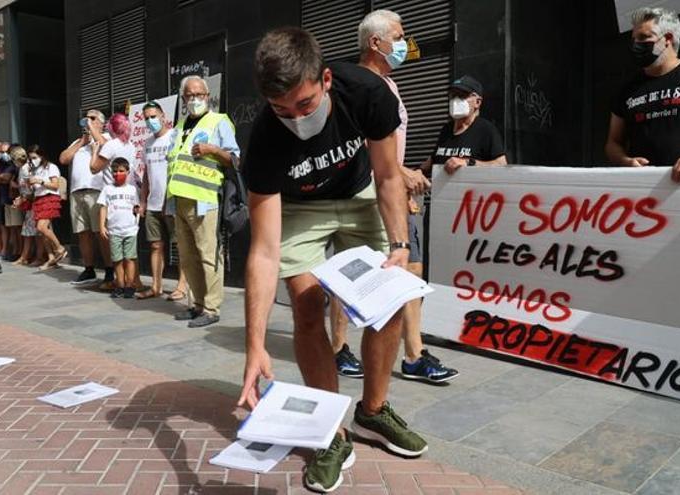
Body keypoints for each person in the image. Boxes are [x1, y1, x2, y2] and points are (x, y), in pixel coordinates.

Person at [239, 28, 432, 493]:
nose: (295, 118)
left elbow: (388, 175)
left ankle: (372, 411)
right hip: (301, 207)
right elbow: (264, 252)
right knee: (307, 306)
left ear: (325, 79)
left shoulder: (366, 92)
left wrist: (399, 247)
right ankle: (330, 432)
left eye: (305, 105)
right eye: (282, 109)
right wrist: (255, 347)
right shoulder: (264, 140)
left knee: (386, 297)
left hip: (361, 192)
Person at [354, 9, 462, 384]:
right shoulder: (361, 84)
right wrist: (400, 175)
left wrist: (401, 181)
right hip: (371, 194)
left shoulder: (391, 85)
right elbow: (364, 146)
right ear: (375, 42)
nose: (404, 45)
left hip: (394, 192)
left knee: (410, 270)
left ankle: (413, 354)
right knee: (382, 276)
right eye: (398, 38)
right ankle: (343, 349)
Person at [165, 75, 240, 328]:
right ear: (184, 99)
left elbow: (236, 159)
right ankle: (196, 304)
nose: (195, 99)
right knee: (187, 257)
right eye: (190, 95)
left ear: (208, 97)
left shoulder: (219, 122)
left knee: (208, 254)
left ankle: (211, 307)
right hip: (179, 199)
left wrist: (213, 150)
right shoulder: (180, 126)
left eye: (200, 95)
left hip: (204, 198)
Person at [605, 7, 680, 183]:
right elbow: (613, 142)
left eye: (643, 38)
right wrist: (625, 161)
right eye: (634, 39)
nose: (636, 45)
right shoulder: (627, 90)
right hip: (645, 194)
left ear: (668, 39)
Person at [138, 101, 189, 300]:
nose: (151, 121)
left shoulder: (174, 137)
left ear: (162, 116)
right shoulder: (147, 143)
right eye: (147, 118)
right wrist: (142, 201)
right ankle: (156, 286)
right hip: (152, 203)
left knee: (179, 245)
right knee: (155, 246)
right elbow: (146, 176)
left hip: (172, 201)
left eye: (153, 116)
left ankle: (182, 286)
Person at [59, 109, 115, 288]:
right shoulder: (79, 142)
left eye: (92, 118)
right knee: (83, 233)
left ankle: (109, 270)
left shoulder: (106, 137)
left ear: (101, 122)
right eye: (86, 118)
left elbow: (108, 148)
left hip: (96, 191)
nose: (87, 121)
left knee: (100, 232)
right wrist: (82, 141)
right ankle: (89, 268)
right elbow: (63, 158)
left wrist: (94, 134)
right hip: (77, 192)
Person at [419, 76, 507, 177]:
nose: (456, 100)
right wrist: (417, 172)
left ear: (477, 102)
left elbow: (501, 165)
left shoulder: (486, 130)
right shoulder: (446, 130)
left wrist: (469, 163)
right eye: (453, 96)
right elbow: (432, 160)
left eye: (462, 96)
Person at [90, 113, 137, 287]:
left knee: (116, 245)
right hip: (128, 198)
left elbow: (94, 168)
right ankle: (132, 282)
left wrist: (95, 152)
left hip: (113, 198)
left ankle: (120, 281)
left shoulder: (111, 145)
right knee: (130, 246)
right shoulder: (130, 145)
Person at [98, 157, 141, 298]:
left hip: (130, 230)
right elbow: (103, 207)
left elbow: (136, 207)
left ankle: (130, 285)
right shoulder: (107, 189)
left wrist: (138, 212)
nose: (118, 174)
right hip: (114, 230)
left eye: (121, 171)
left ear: (128, 172)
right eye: (115, 171)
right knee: (117, 259)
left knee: (130, 258)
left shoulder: (132, 190)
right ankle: (120, 285)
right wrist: (102, 225)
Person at [23, 145, 68, 270]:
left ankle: (59, 248)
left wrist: (40, 181)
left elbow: (55, 185)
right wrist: (29, 184)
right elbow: (35, 187)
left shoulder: (51, 167)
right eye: (30, 158)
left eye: (34, 157)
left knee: (41, 227)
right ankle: (51, 257)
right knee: (43, 231)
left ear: (41, 156)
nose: (32, 160)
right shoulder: (35, 170)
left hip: (49, 197)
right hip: (39, 198)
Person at [14, 151, 43, 265]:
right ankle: (26, 256)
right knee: (28, 230)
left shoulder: (27, 169)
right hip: (28, 202)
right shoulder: (23, 169)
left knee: (37, 231)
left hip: (34, 201)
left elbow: (32, 188)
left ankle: (39, 257)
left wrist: (23, 198)